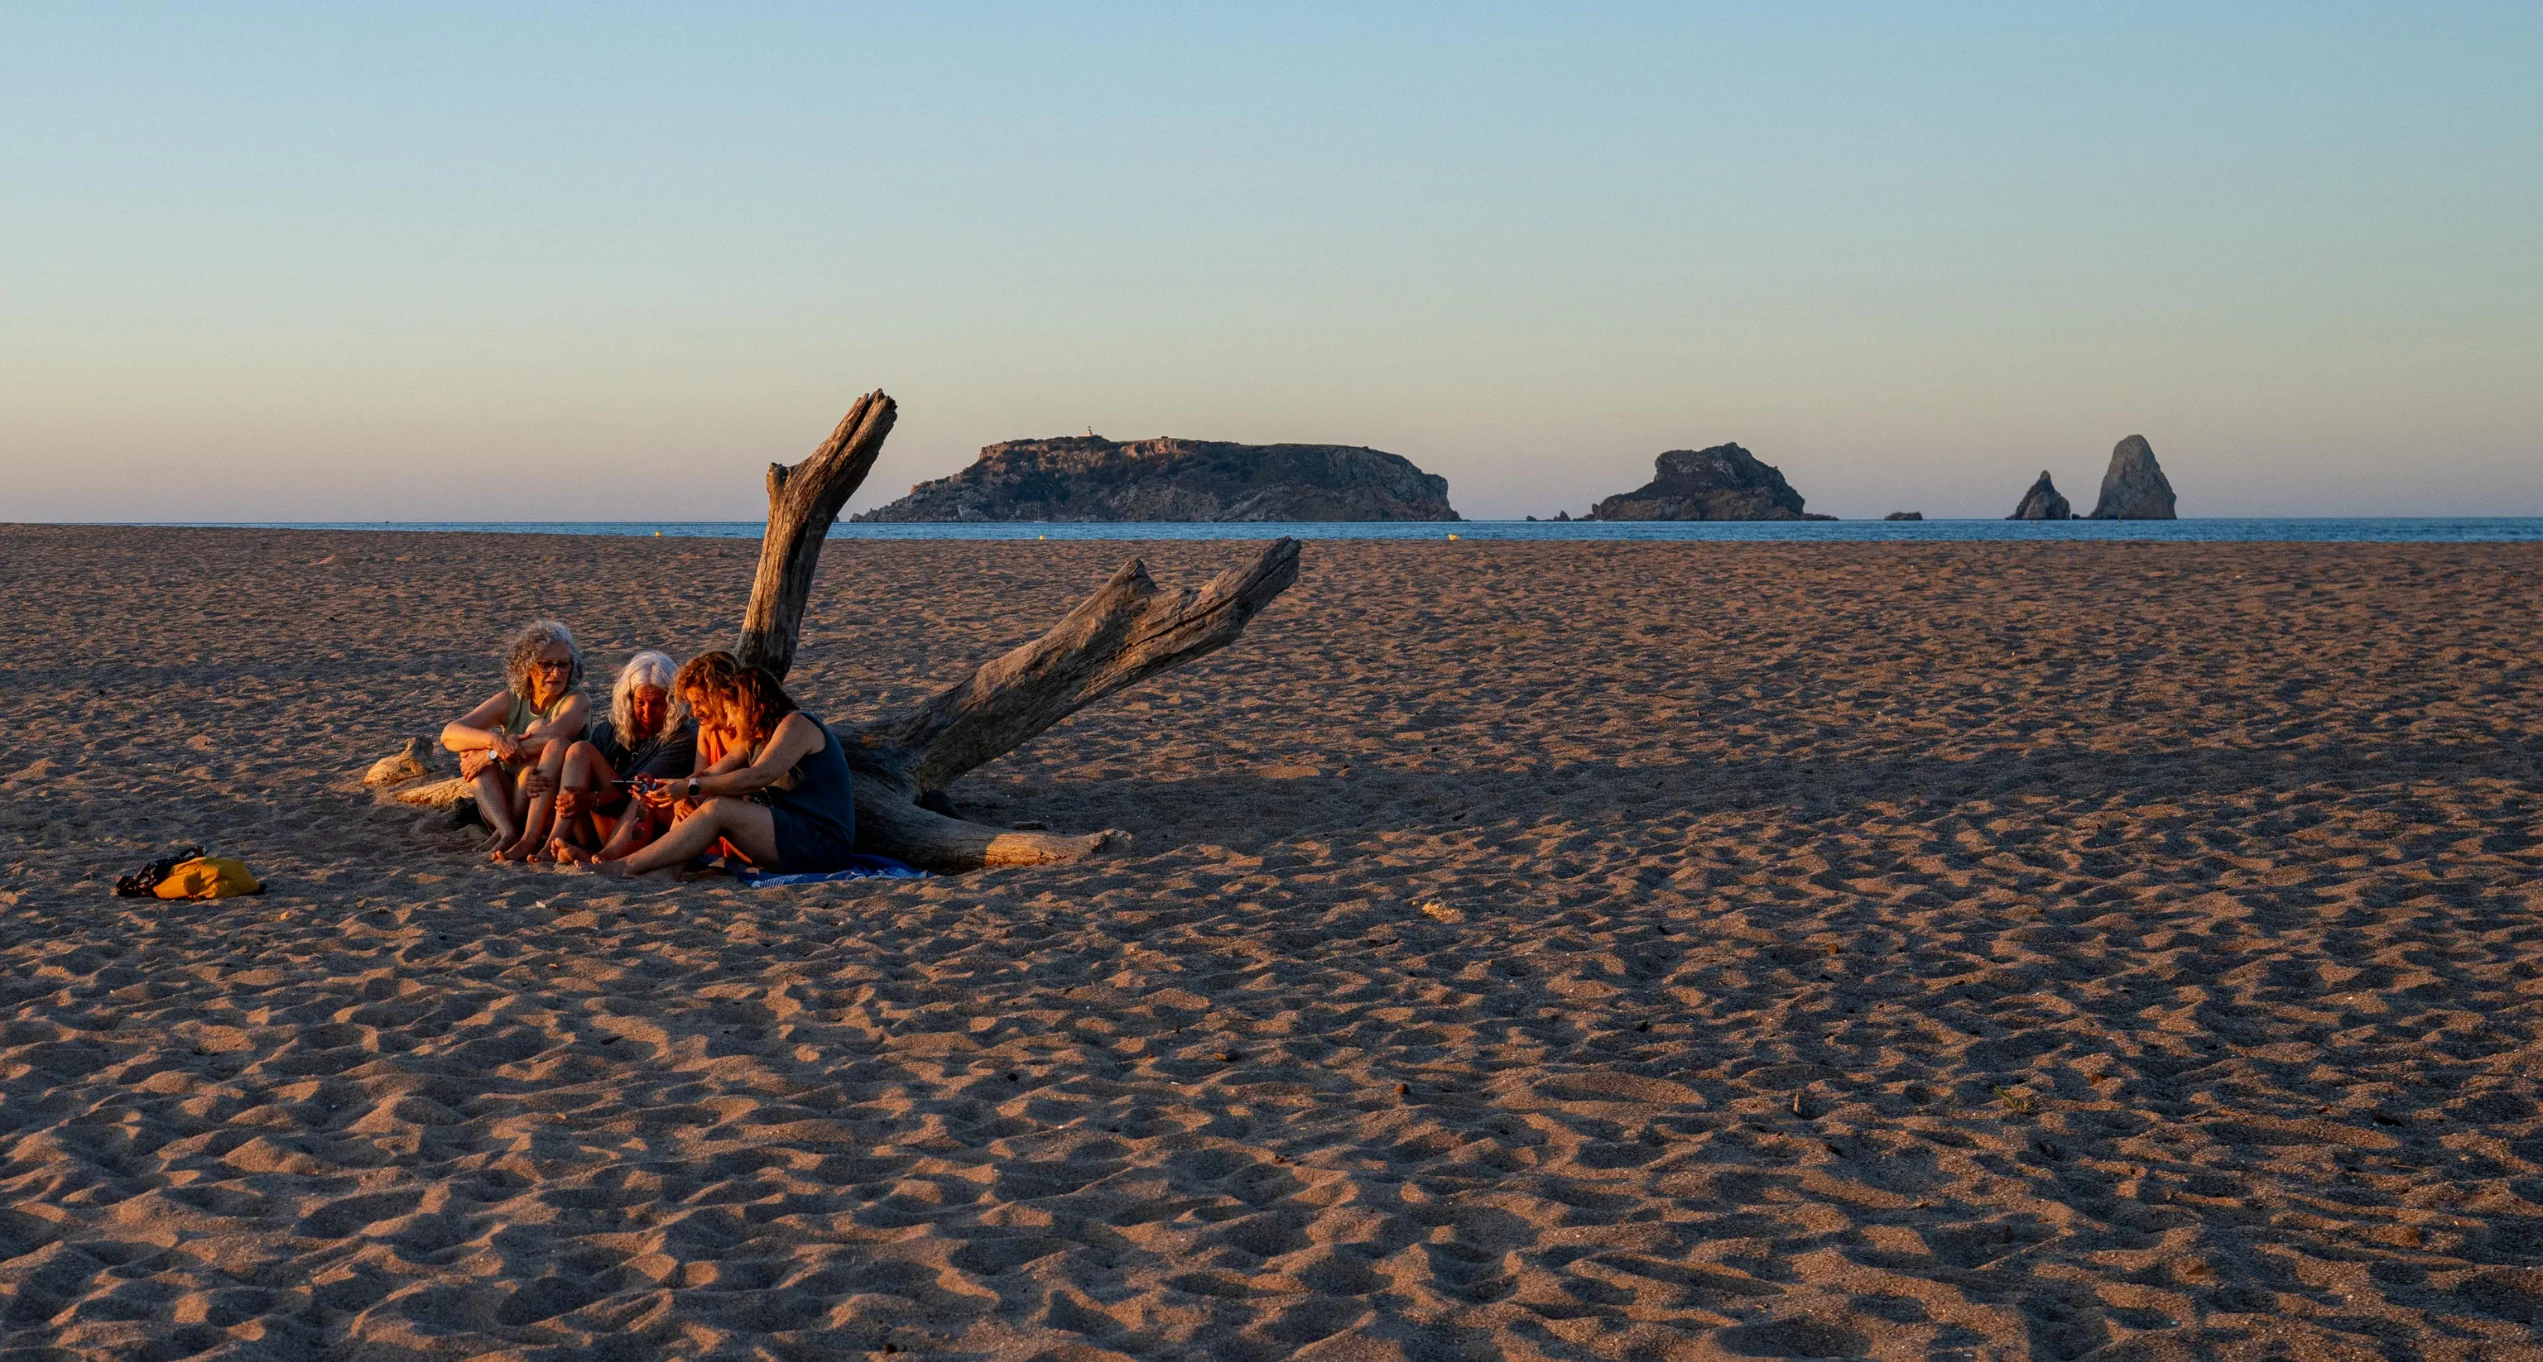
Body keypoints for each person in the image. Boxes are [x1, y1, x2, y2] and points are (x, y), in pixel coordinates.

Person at [598, 654, 857, 877]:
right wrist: (673, 788)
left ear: (751, 704)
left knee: (717, 808)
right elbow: (710, 773)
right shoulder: (756, 735)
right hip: (786, 835)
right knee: (702, 800)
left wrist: (691, 787)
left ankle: (626, 865)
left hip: (820, 843)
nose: (730, 721)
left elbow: (758, 776)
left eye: (732, 709)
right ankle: (666, 872)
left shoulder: (797, 724)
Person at [441, 619, 590, 861]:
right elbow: (449, 734)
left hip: (548, 802)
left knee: (538, 727)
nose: (556, 672)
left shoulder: (577, 701)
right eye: (546, 665)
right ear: (528, 667)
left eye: (564, 664)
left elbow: (552, 736)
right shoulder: (511, 700)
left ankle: (523, 834)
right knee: (471, 748)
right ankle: (507, 830)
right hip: (507, 804)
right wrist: (491, 741)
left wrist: (491, 753)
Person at [540, 650, 698, 864]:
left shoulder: (682, 738)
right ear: (629, 699)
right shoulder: (611, 730)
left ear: (671, 703)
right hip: (600, 821)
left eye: (656, 704)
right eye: (640, 703)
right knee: (578, 751)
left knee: (645, 789)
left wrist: (594, 798)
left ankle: (606, 858)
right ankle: (551, 842)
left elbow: (640, 786)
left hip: (643, 825)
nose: (647, 712)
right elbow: (579, 769)